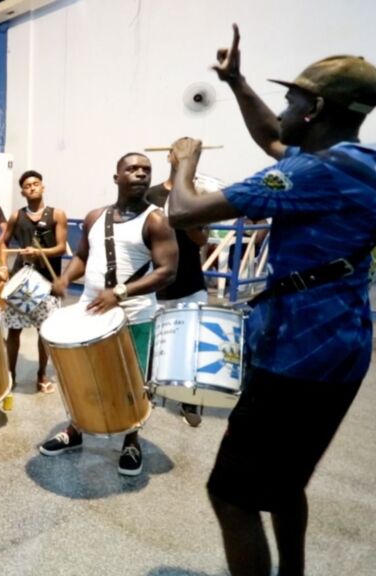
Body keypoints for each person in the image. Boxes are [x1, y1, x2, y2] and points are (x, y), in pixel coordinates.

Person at [167, 25, 376, 576]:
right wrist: (235, 82)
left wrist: (182, 162)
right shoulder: (359, 165)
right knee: (286, 483)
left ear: (315, 109)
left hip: (299, 355)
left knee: (231, 496)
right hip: (344, 348)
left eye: (292, 101)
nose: (282, 111)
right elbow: (271, 139)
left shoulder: (309, 173)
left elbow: (184, 212)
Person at [38, 153, 177, 476]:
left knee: (131, 381)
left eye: (146, 170)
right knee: (82, 375)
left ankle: (131, 438)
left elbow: (167, 271)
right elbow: (83, 255)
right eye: (132, 169)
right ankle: (76, 429)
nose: (140, 174)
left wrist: (121, 293)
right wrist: (66, 277)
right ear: (116, 177)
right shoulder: (95, 217)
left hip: (135, 314)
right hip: (90, 310)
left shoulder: (157, 220)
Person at [146, 143, 211, 428]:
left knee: (191, 345)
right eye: (179, 151)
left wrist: (183, 217)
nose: (184, 157)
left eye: (191, 154)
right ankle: (148, 392)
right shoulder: (151, 194)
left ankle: (190, 399)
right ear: (170, 156)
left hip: (190, 283)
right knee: (153, 343)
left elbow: (202, 241)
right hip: (157, 283)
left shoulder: (201, 194)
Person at [0, 170, 68, 394]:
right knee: (14, 330)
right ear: (22, 191)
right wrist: (3, 267)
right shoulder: (17, 216)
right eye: (27, 185)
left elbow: (62, 247)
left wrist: (39, 251)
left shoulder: (57, 214)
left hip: (46, 282)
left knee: (45, 332)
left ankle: (41, 375)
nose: (32, 187)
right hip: (21, 281)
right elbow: (3, 243)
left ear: (42, 187)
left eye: (35, 184)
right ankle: (11, 376)